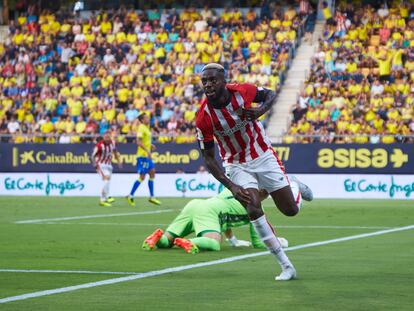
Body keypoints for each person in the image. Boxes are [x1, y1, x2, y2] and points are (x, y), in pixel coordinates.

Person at [195, 63, 313, 281]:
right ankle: (286, 266)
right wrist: (231, 185)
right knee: (252, 207)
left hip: (263, 155)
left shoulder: (242, 91)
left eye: (213, 80)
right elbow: (209, 158)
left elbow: (269, 94)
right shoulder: (204, 116)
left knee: (290, 210)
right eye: (205, 81)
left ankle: (292, 183)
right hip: (236, 164)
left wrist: (260, 110)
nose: (208, 85)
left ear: (223, 81)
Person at [142, 187, 292, 253]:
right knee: (214, 243)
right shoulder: (256, 208)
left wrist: (233, 240)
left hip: (195, 204)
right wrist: (280, 242)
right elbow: (258, 243)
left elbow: (224, 216)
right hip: (209, 212)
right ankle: (192, 242)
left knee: (166, 242)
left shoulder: (235, 188)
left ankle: (156, 238)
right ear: (264, 194)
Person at [127, 112, 161, 206]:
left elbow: (144, 141)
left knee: (152, 172)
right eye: (146, 118)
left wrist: (150, 145)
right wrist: (148, 151)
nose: (148, 119)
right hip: (142, 156)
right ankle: (130, 195)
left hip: (146, 155)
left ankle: (152, 196)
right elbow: (138, 142)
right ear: (142, 120)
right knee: (142, 177)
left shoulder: (146, 128)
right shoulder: (141, 128)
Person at [91, 131, 122, 207]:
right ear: (103, 137)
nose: (107, 139)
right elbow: (92, 156)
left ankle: (107, 196)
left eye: (108, 137)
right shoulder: (99, 145)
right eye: (105, 137)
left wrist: (118, 161)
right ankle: (102, 200)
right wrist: (95, 165)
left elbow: (115, 152)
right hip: (101, 165)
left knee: (107, 181)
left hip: (109, 165)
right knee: (107, 179)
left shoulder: (113, 143)